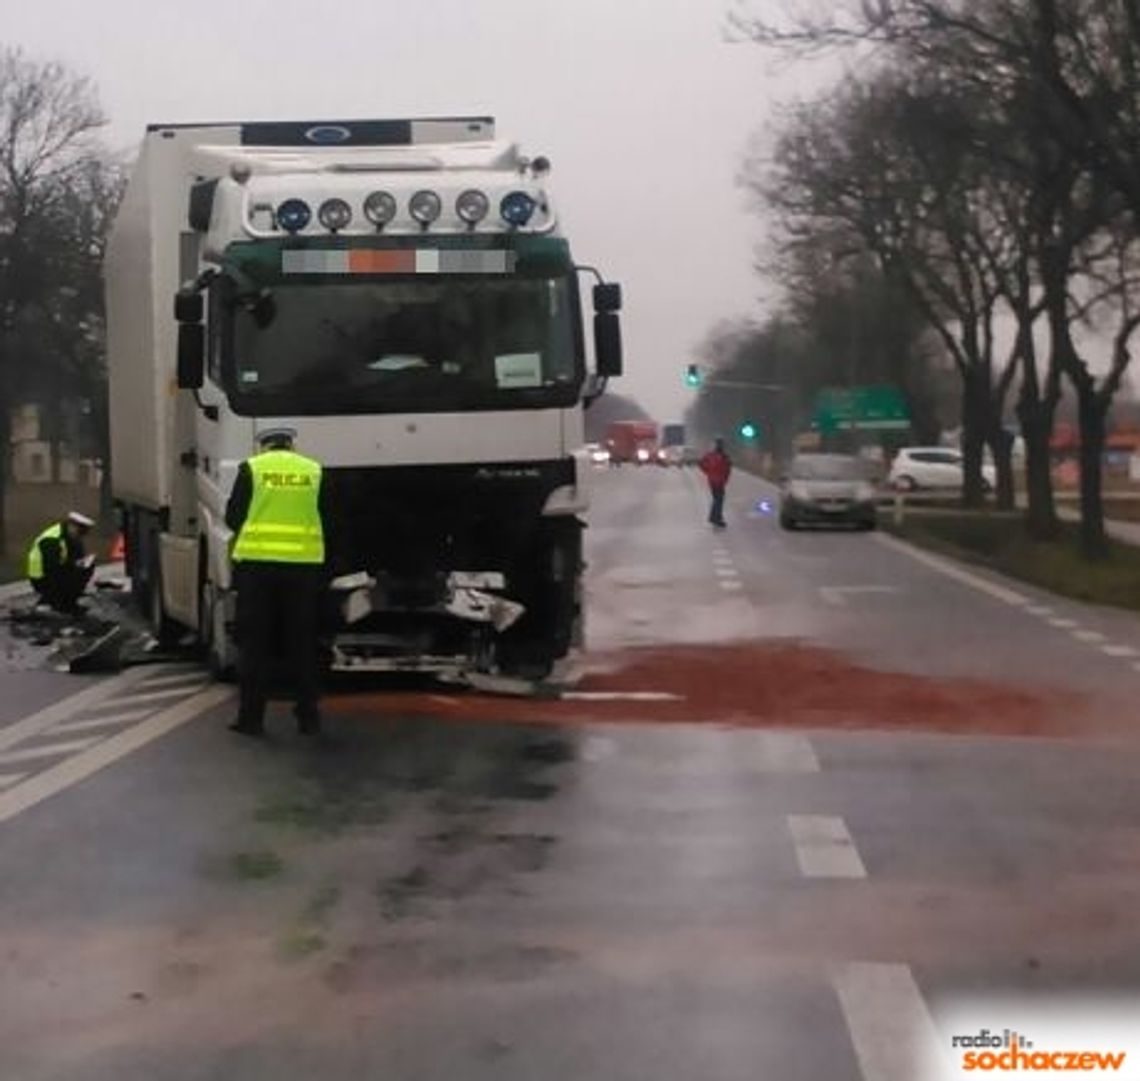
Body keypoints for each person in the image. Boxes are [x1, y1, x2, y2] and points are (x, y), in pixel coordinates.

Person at [225, 427, 328, 737]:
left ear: (264, 446)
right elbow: (328, 517)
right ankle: (308, 717)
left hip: (257, 569)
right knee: (302, 644)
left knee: (255, 645)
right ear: (292, 446)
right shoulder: (314, 471)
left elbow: (233, 517)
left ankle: (251, 718)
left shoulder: (252, 469)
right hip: (303, 569)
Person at [26, 511, 97, 614]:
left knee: (86, 568)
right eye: (80, 532)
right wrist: (74, 567)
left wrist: (82, 562)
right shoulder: (52, 539)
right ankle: (56, 602)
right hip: (41, 578)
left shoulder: (72, 537)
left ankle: (68, 601)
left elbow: (76, 557)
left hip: (58, 571)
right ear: (71, 526)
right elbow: (51, 569)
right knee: (73, 575)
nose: (80, 536)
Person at [699, 438, 732, 529]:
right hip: (719, 481)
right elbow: (727, 470)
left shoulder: (710, 455)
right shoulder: (724, 457)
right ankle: (716, 518)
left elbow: (701, 463)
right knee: (719, 500)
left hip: (713, 481)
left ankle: (715, 517)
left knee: (717, 499)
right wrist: (725, 479)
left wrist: (708, 472)